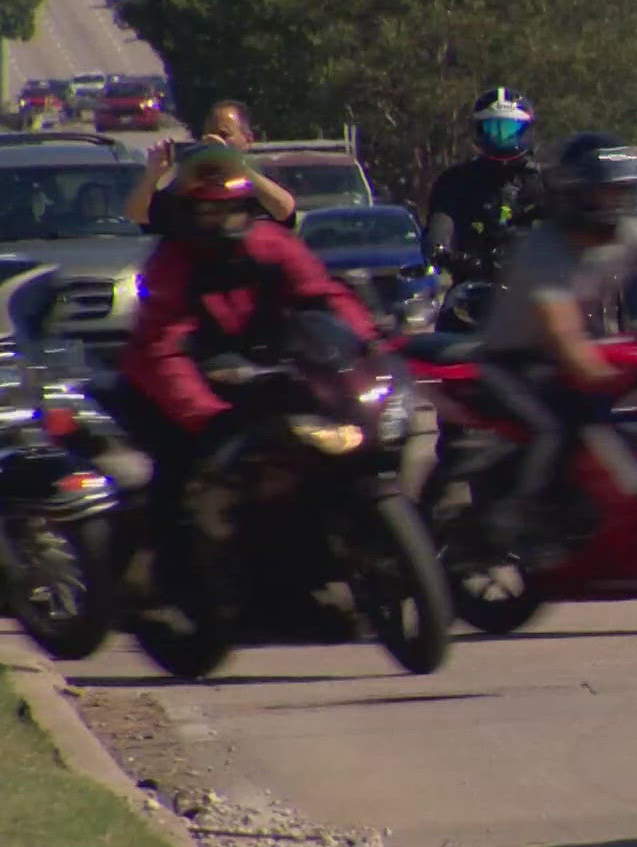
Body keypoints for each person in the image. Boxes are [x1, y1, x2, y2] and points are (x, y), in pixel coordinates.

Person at [116, 144, 379, 618]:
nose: (223, 220)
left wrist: (367, 349)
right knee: (179, 479)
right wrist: (205, 415)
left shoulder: (272, 245)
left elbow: (323, 296)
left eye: (232, 207)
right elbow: (162, 350)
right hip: (181, 395)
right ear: (189, 210)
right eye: (209, 209)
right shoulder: (172, 264)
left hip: (260, 377)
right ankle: (173, 586)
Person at [471, 132, 637, 554]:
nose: (613, 203)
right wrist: (608, 374)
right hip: (516, 361)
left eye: (620, 191)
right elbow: (562, 332)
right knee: (557, 428)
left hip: (591, 350)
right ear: (575, 194)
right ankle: (522, 512)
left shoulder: (630, 230)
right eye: (602, 193)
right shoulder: (543, 250)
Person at [424, 88, 544, 282]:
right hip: (473, 285)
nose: (501, 138)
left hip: (536, 287)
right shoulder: (456, 180)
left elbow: (571, 230)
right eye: (493, 130)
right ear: (478, 132)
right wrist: (441, 253)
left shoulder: (545, 181)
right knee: (449, 311)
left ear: (526, 130)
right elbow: (439, 228)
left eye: (509, 130)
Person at [126, 100, 296, 232]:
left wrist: (234, 164)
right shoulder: (192, 181)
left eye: (224, 135)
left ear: (248, 139)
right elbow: (138, 216)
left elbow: (285, 211)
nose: (215, 141)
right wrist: (152, 175)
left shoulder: (260, 179)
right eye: (210, 136)